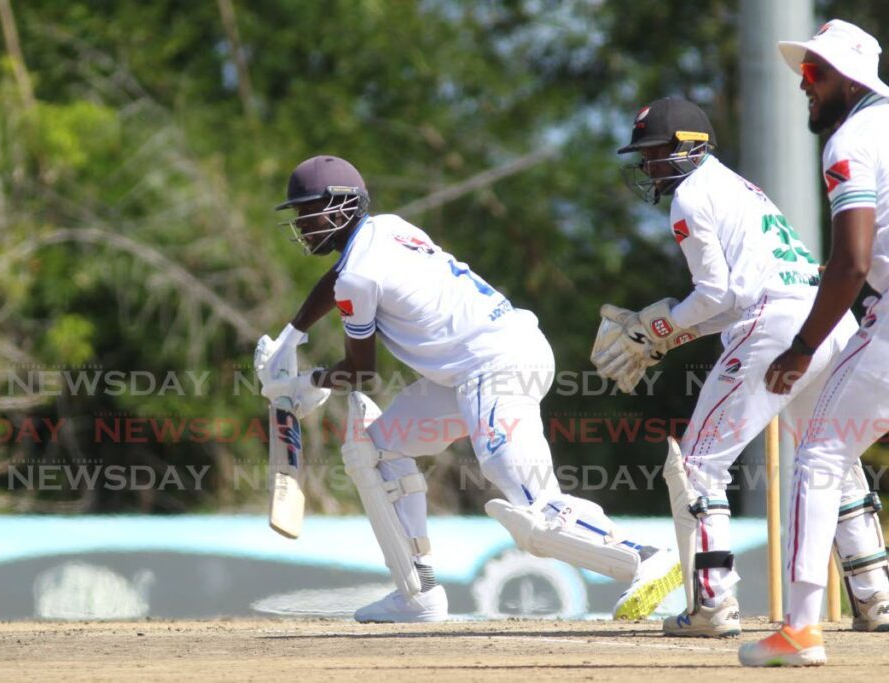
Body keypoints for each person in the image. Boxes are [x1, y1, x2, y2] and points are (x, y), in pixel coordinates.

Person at [256, 154, 681, 623]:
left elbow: (361, 373)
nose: (301, 223)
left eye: (306, 211)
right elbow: (335, 280)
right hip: (480, 366)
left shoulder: (360, 273)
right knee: (375, 450)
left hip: (494, 366)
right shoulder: (385, 229)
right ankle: (417, 594)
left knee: (532, 510)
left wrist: (308, 383)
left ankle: (646, 556)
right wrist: (292, 336)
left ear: (338, 206)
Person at [593, 96, 871, 638]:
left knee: (698, 465)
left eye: (654, 155)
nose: (648, 168)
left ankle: (712, 604)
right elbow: (730, 299)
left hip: (775, 322)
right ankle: (875, 594)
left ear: (688, 148)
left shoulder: (690, 199)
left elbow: (719, 293)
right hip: (825, 318)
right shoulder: (737, 185)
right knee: (831, 458)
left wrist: (657, 327)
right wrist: (667, 336)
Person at [740, 19, 889, 667]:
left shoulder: (851, 140)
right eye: (804, 73)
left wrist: (802, 346)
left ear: (849, 77)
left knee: (821, 452)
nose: (805, 85)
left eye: (815, 73)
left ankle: (800, 627)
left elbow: (851, 262)